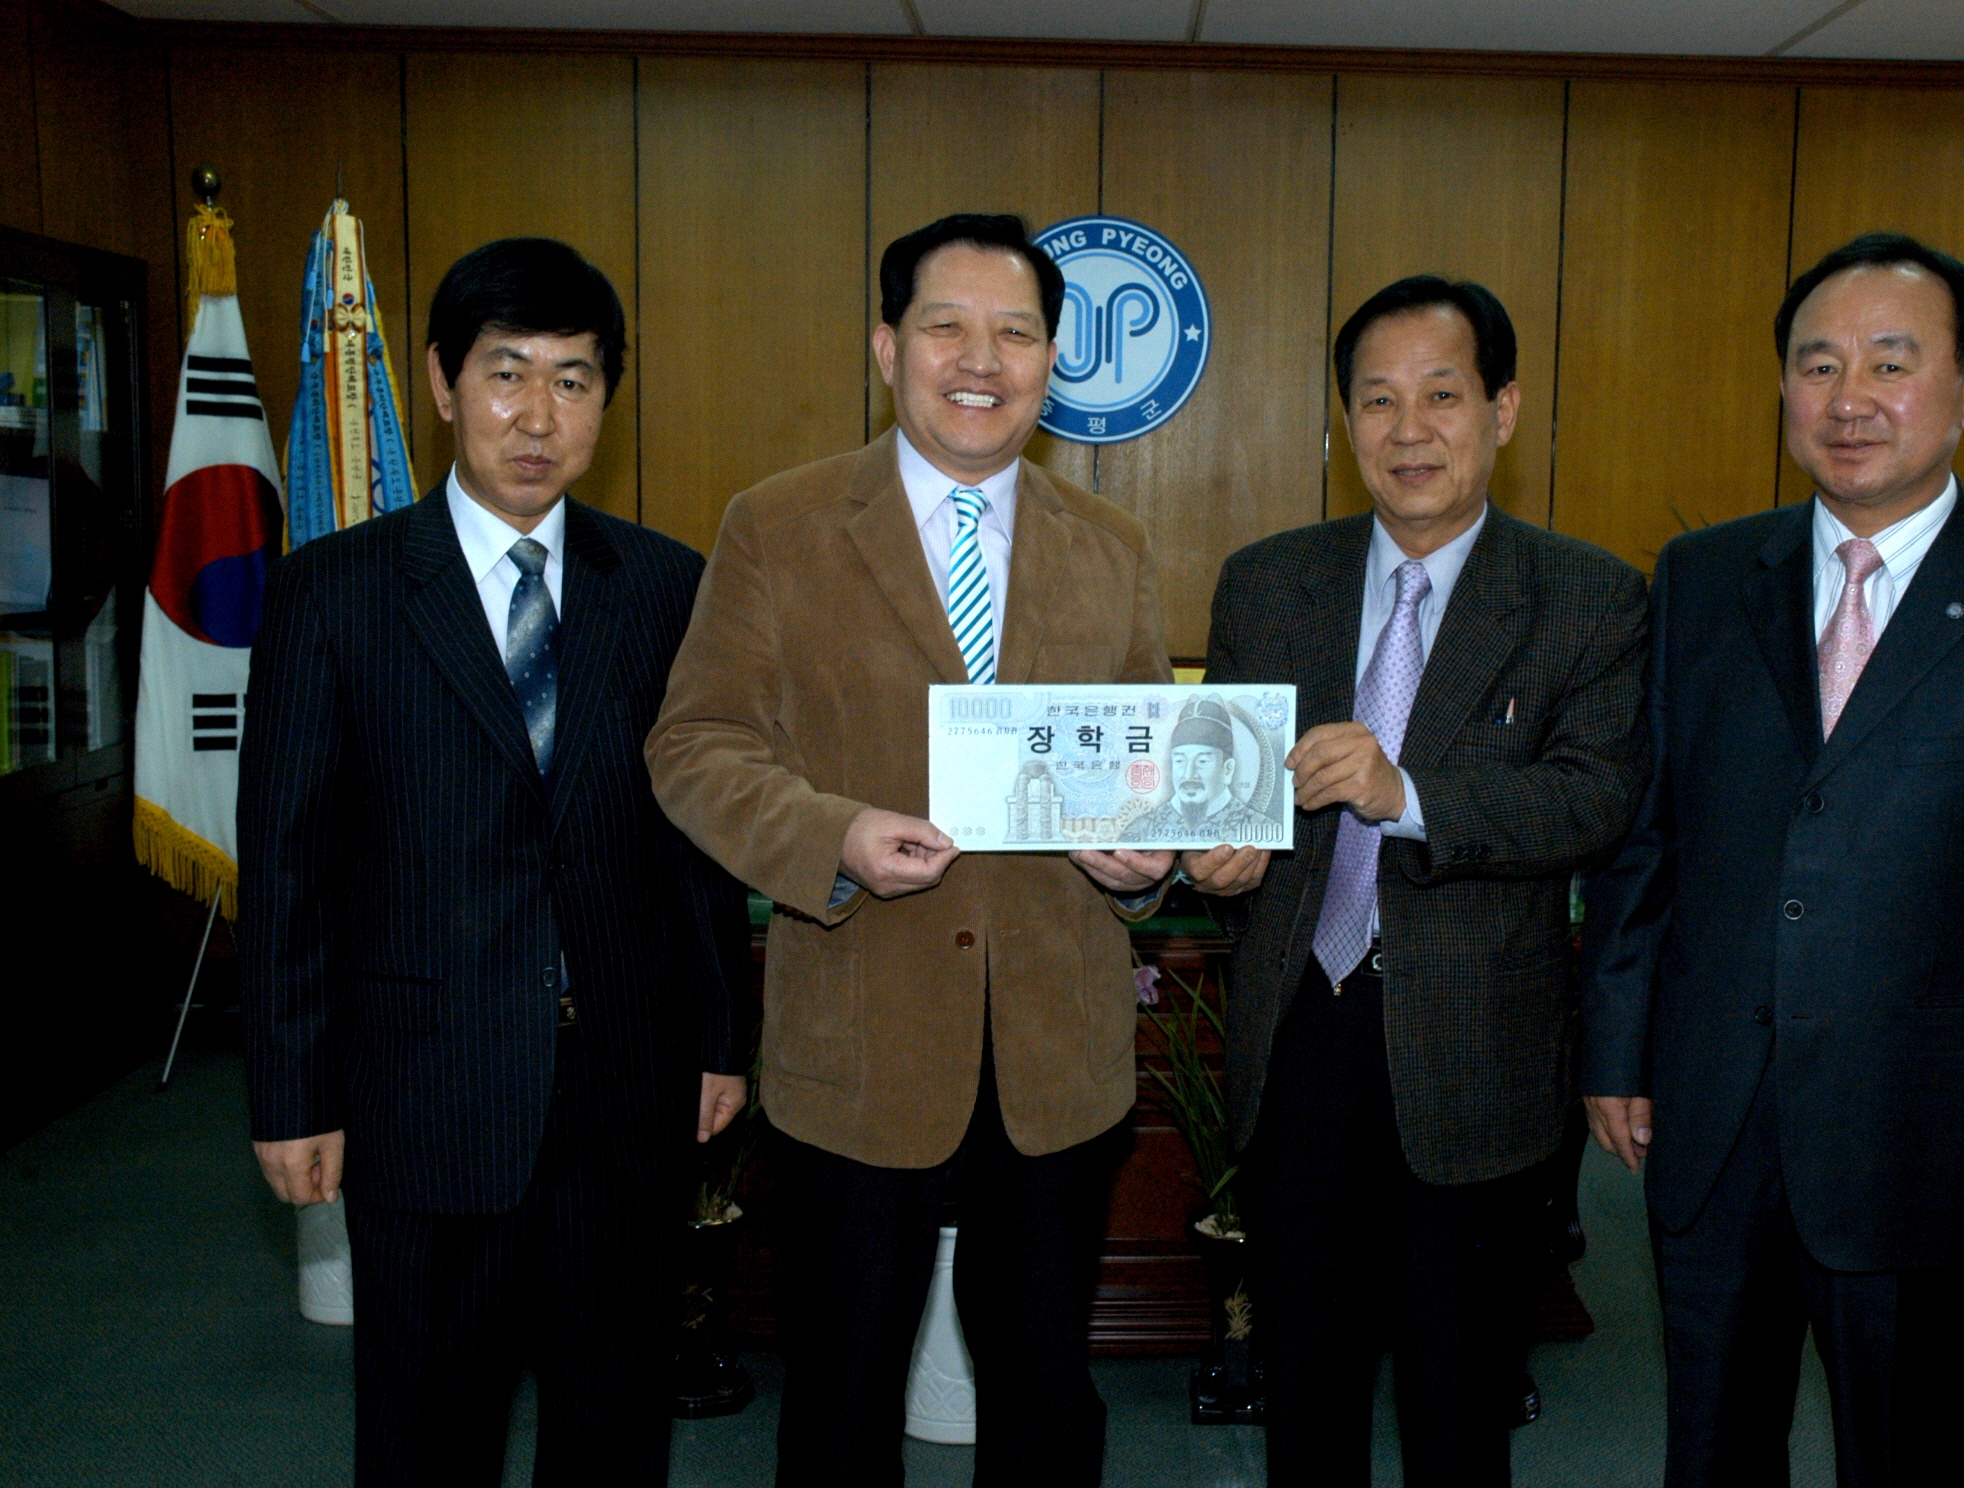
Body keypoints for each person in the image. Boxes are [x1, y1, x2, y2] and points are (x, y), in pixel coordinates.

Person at [1582, 232, 1964, 1487]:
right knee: (1710, 1451)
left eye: (1890, 363)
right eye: (1816, 364)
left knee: (1908, 1458)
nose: (1848, 399)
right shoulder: (1702, 576)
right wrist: (1616, 1046)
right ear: (1781, 388)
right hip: (1714, 1113)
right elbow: (1648, 836)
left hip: (1925, 1139)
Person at [644, 212, 1174, 1487]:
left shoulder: (1111, 545)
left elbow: (1145, 768)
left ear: (1053, 361)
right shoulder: (776, 526)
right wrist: (832, 835)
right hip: (862, 1043)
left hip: (1057, 1053)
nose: (978, 358)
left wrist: (1144, 857)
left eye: (1016, 332)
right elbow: (694, 745)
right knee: (837, 1398)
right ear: (887, 348)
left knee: (1047, 1398)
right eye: (945, 326)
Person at [238, 238, 750, 1487]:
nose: (536, 416)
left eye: (572, 381)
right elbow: (288, 864)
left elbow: (698, 838)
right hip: (425, 1087)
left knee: (616, 1414)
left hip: (625, 1084)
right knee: (426, 1424)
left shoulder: (666, 587)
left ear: (605, 403)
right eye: (506, 374)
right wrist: (294, 1094)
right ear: (439, 381)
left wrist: (722, 1037)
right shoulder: (335, 595)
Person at [1182, 274, 1650, 1486]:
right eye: (1376, 400)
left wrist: (1409, 794)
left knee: (1457, 1414)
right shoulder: (1267, 582)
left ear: (1500, 409)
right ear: (1343, 422)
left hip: (1474, 1060)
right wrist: (1219, 855)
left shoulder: (1587, 597)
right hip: (1298, 1042)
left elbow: (1593, 798)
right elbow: (1234, 795)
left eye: (1440, 396)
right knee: (1306, 1403)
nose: (1407, 430)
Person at [1122, 694, 1284, 844]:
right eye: (1179, 761)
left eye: (1203, 761)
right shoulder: (1141, 829)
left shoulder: (1263, 828)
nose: (1188, 774)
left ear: (1227, 770)